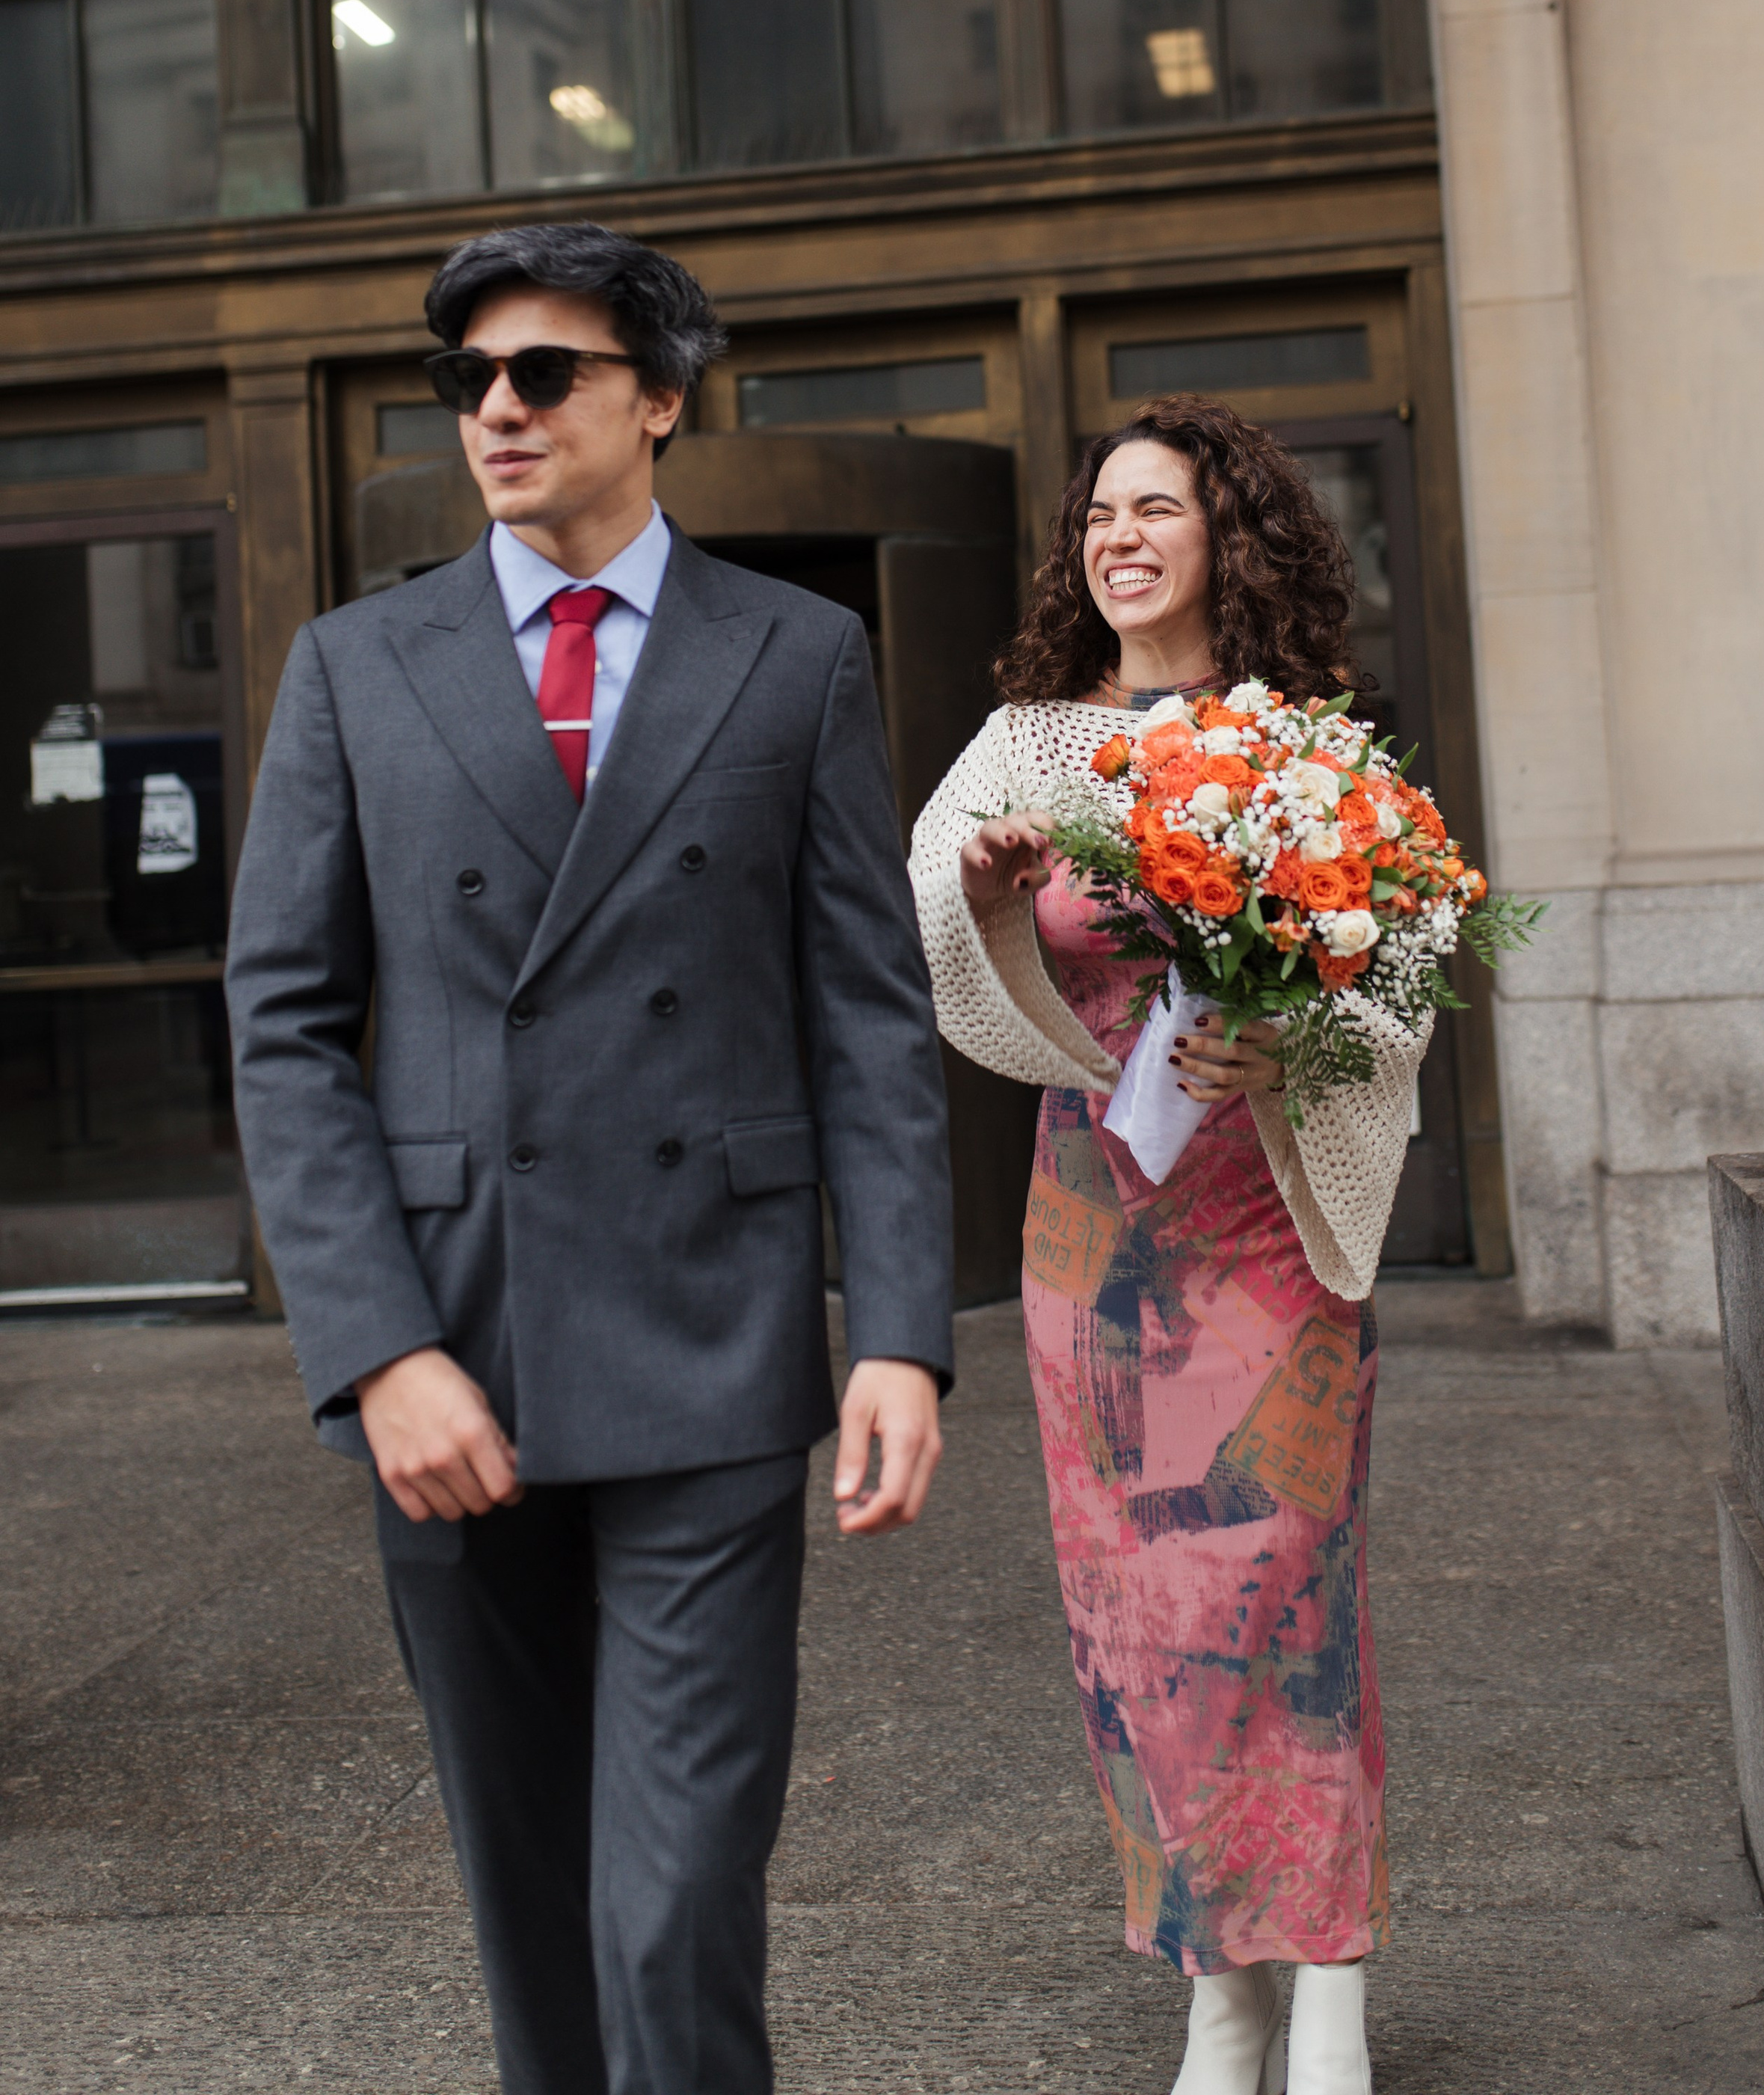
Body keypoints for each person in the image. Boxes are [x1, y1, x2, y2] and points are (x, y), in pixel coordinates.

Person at [226, 221, 953, 2095]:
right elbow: (287, 1028)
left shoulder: (794, 656)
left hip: (710, 1342)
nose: (496, 408)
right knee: (531, 1889)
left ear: (659, 400)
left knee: (676, 1893)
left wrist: (892, 1330)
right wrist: (376, 1351)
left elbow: (868, 1011)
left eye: (542, 372)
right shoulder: (353, 667)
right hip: (450, 1358)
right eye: (468, 378)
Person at [909, 396, 1428, 2095]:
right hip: (1095, 1234)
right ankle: (1218, 1987)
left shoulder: (1314, 745)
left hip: (1263, 1223)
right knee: (1137, 1611)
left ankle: (1327, 1986)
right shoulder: (1028, 746)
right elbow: (938, 945)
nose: (1116, 536)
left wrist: (1301, 1045)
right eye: (1097, 515)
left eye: (1157, 509)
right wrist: (989, 895)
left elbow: (1404, 974)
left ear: (1231, 538)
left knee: (1280, 1591)